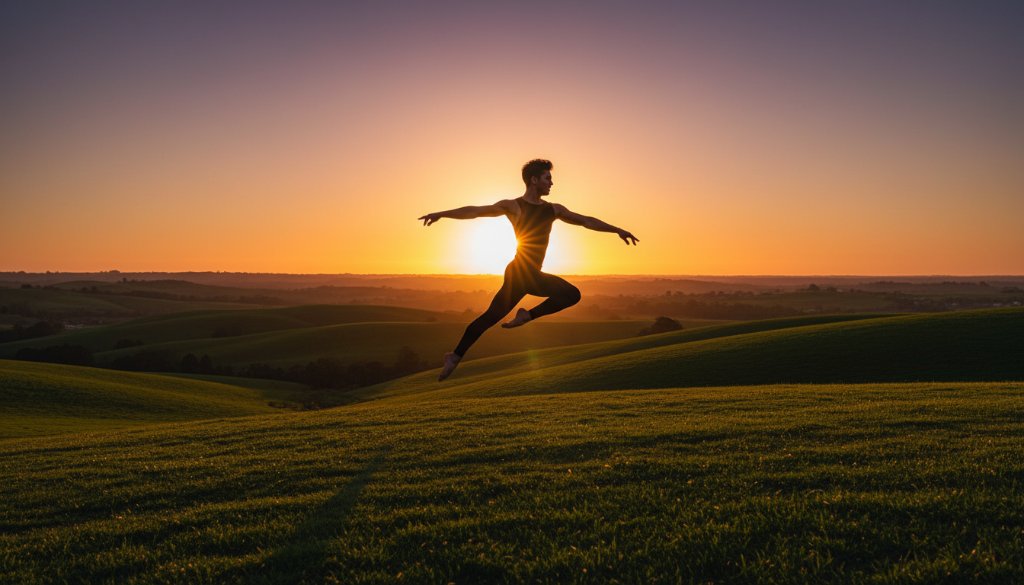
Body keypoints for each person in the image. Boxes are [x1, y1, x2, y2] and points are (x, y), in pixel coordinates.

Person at [419, 159, 639, 381]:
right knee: (569, 295)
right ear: (534, 180)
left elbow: (586, 221)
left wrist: (617, 230)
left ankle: (456, 354)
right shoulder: (514, 206)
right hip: (520, 272)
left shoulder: (554, 209)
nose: (551, 183)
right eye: (547, 178)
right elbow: (475, 211)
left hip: (529, 274)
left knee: (492, 316)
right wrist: (441, 213)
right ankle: (461, 353)